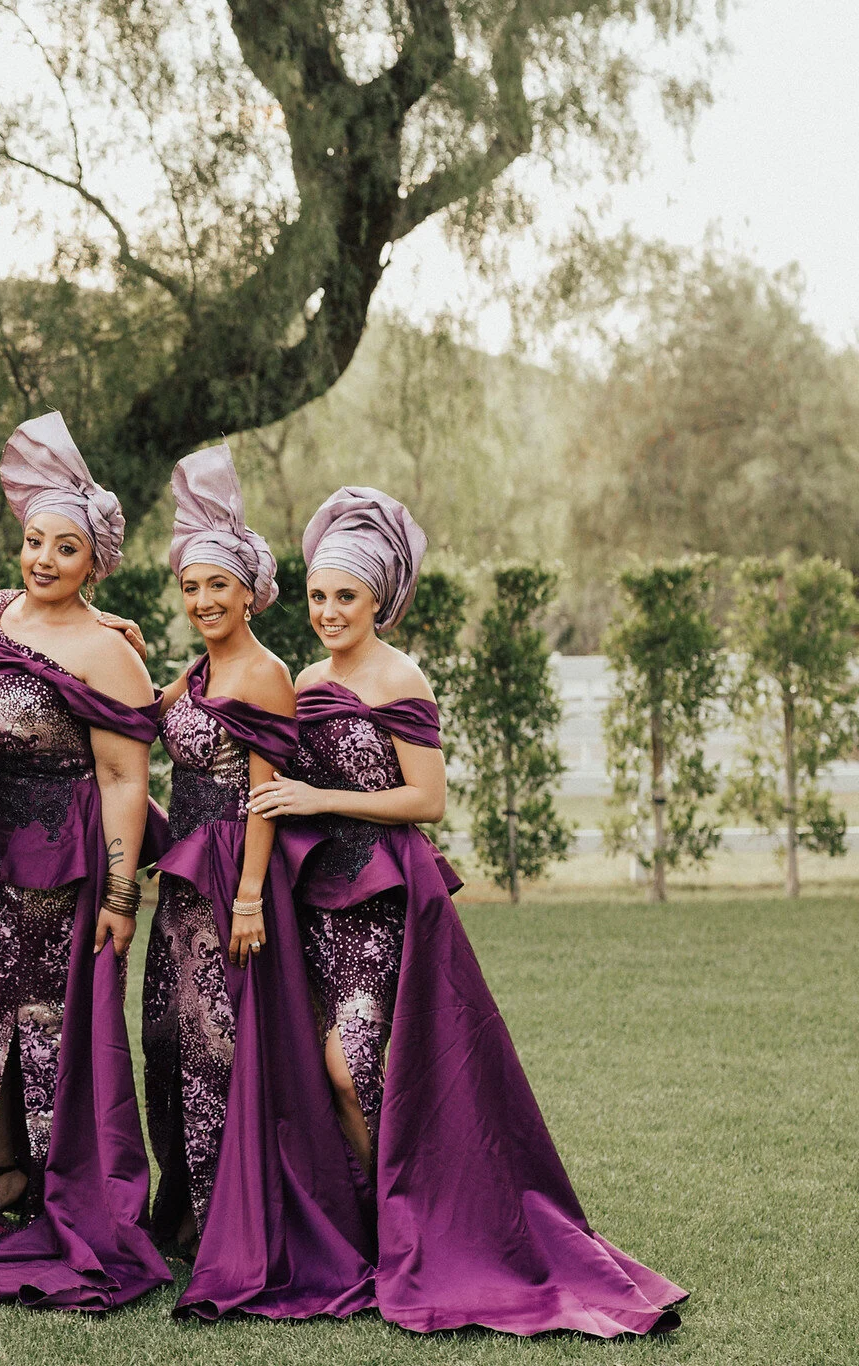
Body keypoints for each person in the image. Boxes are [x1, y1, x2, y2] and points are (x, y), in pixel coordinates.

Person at [244, 486, 686, 1336]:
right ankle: (380, 1226)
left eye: (346, 597)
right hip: (316, 901)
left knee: (353, 1067)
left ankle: (420, 1225)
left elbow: (427, 800)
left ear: (379, 599)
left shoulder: (399, 676)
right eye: (318, 596)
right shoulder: (306, 679)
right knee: (324, 1068)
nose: (328, 612)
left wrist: (320, 797)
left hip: (383, 898)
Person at [0, 412, 168, 1310]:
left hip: (59, 870)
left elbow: (125, 780)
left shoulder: (109, 652)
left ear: (95, 561)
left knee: (47, 1025)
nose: (44, 559)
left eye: (66, 548)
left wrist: (121, 895)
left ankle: (53, 1185)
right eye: (34, 542)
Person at [144, 448, 373, 1322]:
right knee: (169, 1042)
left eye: (218, 587)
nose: (203, 600)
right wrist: (122, 640)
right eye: (191, 587)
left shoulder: (268, 674)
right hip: (181, 884)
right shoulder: (200, 671)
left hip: (233, 879)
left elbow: (266, 795)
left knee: (219, 1050)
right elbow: (147, 717)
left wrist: (246, 898)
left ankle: (231, 1227)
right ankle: (186, 1213)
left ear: (250, 594)